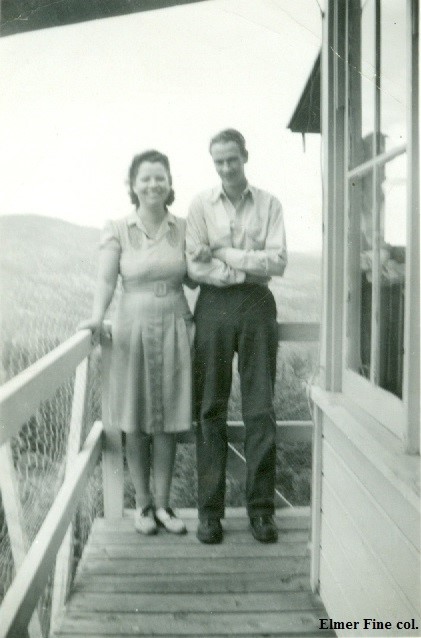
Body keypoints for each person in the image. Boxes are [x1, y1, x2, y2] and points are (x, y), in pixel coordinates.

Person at [79, 150, 194, 535]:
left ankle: (164, 505)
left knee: (168, 420)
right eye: (145, 178)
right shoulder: (117, 228)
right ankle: (142, 505)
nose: (153, 185)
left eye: (160, 177)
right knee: (136, 419)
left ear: (169, 182)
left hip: (175, 324)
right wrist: (97, 317)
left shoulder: (183, 226)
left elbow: (196, 272)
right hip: (132, 327)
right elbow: (106, 281)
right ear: (132, 184)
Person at [186, 129, 287, 544]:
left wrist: (224, 254)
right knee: (210, 408)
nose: (226, 167)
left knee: (259, 408)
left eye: (233, 159)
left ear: (245, 156)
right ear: (214, 163)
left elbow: (278, 262)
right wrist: (247, 267)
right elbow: (194, 266)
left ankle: (261, 511)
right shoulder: (200, 205)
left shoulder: (269, 204)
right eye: (219, 161)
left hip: (257, 307)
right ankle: (210, 513)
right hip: (212, 306)